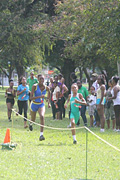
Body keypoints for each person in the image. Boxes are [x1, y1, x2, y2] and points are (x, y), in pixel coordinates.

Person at [30, 74, 51, 141]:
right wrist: (39, 97)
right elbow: (31, 98)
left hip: (41, 104)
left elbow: (49, 93)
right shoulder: (34, 86)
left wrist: (48, 101)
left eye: (43, 79)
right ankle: (30, 124)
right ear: (38, 80)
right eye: (40, 79)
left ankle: (41, 135)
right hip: (34, 104)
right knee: (33, 119)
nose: (42, 80)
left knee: (42, 116)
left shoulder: (46, 87)